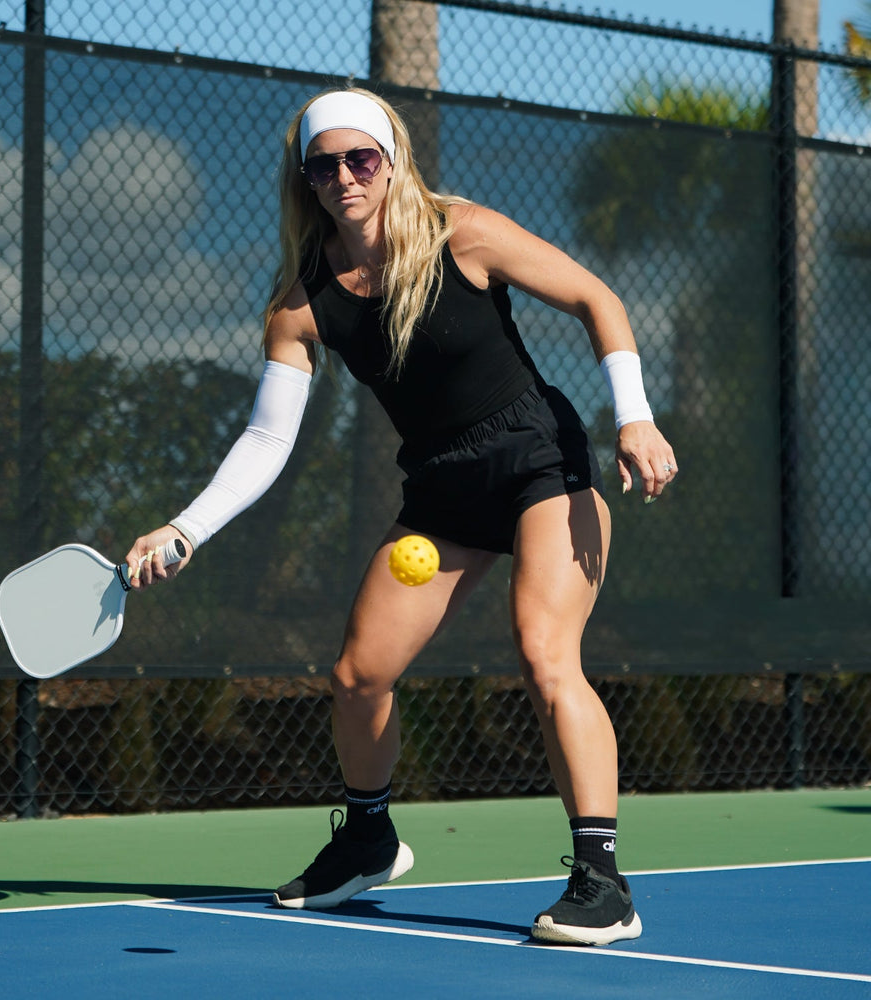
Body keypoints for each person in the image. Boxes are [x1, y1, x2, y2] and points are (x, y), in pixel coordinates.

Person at [126, 87, 677, 946]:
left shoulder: (465, 234)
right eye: (324, 165)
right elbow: (268, 438)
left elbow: (595, 299)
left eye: (362, 158)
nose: (345, 177)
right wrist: (185, 527)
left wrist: (634, 417)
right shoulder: (301, 305)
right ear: (305, 179)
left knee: (544, 654)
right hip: (442, 492)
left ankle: (603, 883)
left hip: (541, 464)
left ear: (391, 162)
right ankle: (369, 839)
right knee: (358, 676)